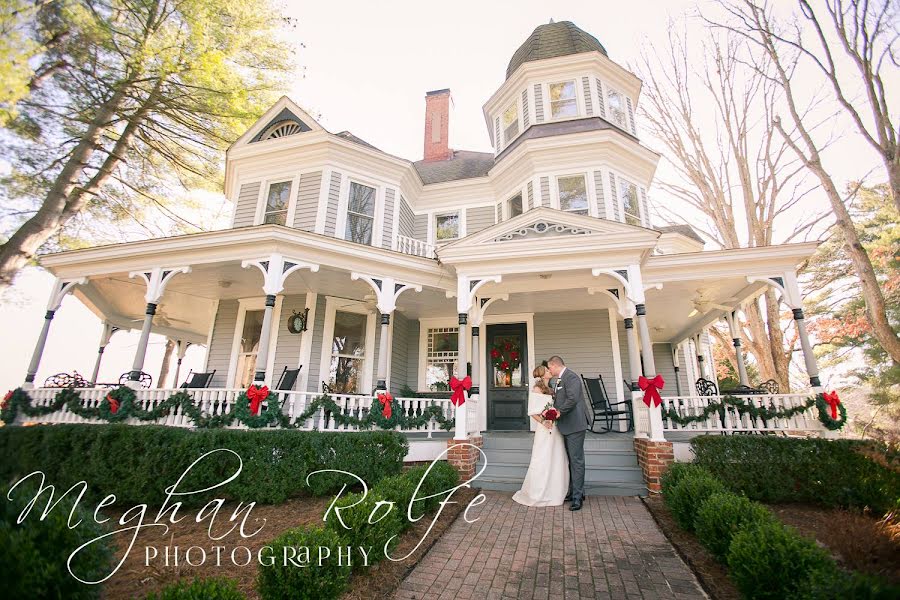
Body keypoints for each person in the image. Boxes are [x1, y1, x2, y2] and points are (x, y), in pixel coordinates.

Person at [511, 365, 569, 507]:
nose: (550, 371)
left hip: (555, 428)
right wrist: (544, 421)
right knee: (542, 458)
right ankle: (538, 493)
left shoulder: (551, 389)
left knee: (556, 457)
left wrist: (553, 416)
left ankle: (555, 491)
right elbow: (532, 412)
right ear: (543, 375)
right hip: (544, 429)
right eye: (547, 370)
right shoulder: (537, 389)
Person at [547, 355, 592, 511]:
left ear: (555, 365)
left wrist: (559, 412)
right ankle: (575, 491)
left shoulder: (571, 377)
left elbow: (572, 399)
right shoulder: (560, 379)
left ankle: (577, 498)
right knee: (572, 460)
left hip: (575, 424)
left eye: (549, 367)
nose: (549, 370)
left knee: (576, 460)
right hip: (568, 425)